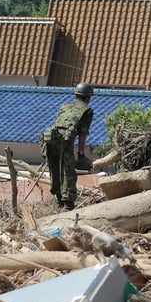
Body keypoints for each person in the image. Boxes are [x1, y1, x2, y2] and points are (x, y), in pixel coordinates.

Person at [40, 82, 94, 211]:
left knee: (54, 168)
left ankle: (59, 199)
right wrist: (81, 154)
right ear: (88, 97)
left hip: (49, 138)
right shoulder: (87, 110)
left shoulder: (65, 106)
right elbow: (82, 134)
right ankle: (68, 203)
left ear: (76, 94)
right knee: (67, 170)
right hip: (64, 141)